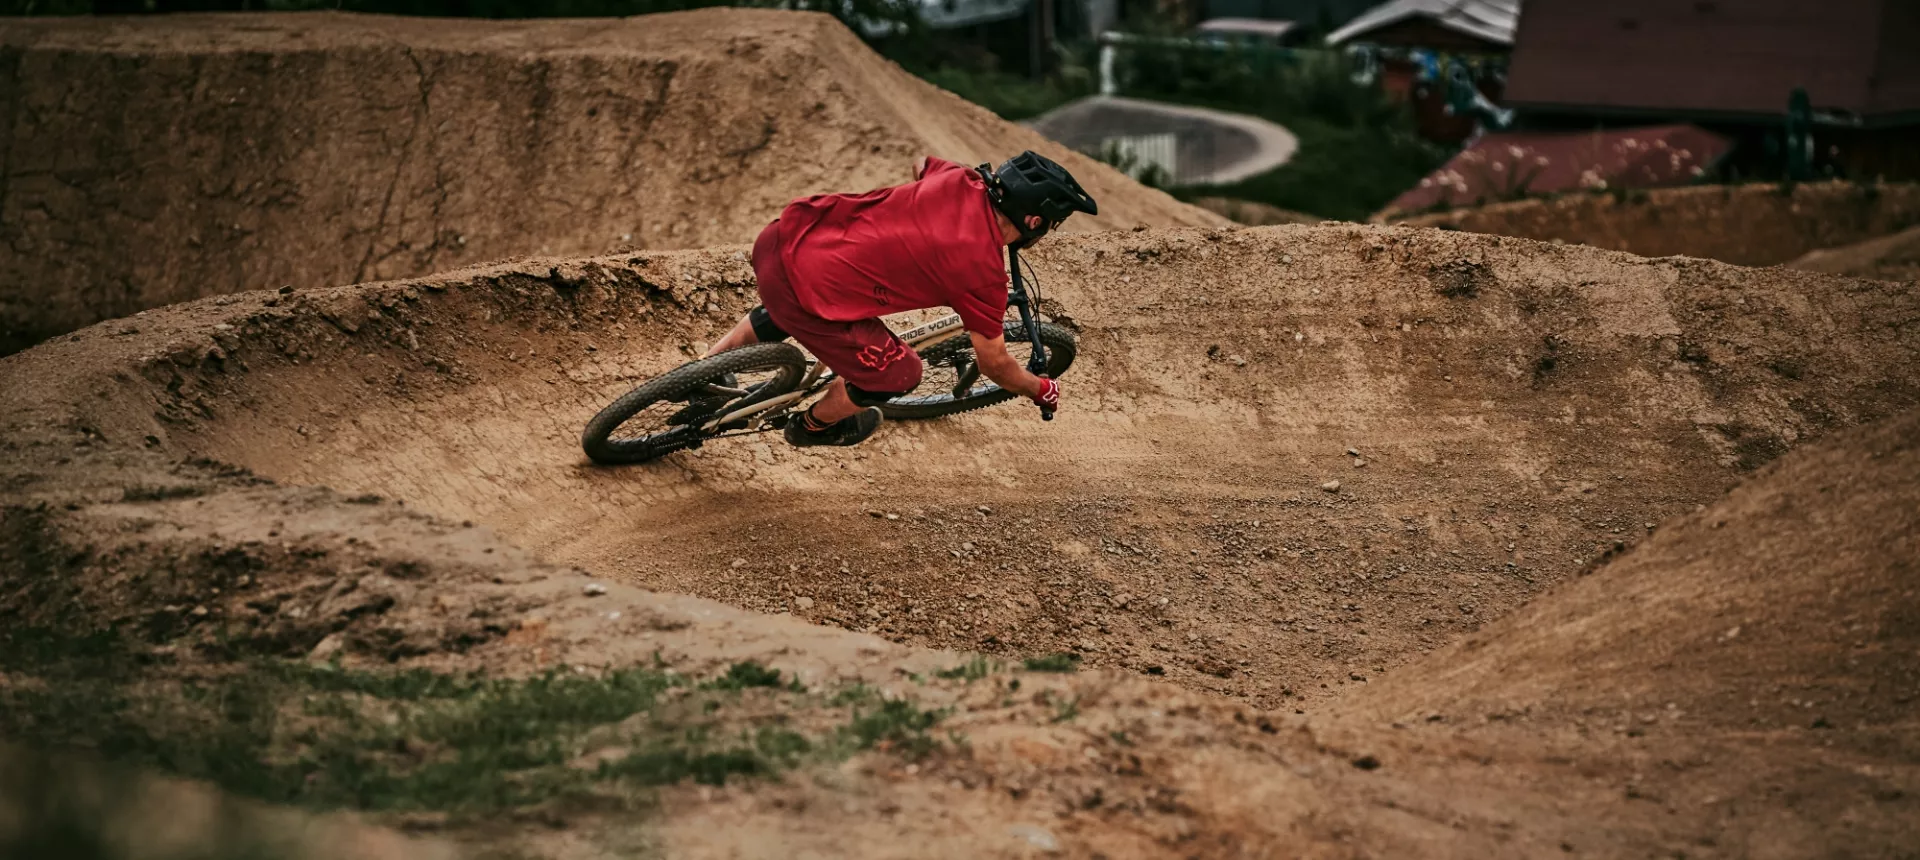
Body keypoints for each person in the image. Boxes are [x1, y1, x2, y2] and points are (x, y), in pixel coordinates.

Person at [690, 150, 1098, 447]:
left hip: (783, 238)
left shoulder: (959, 179)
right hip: (804, 296)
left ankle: (701, 372)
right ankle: (811, 427)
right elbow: (994, 364)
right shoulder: (983, 274)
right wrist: (1039, 388)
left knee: (803, 289)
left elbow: (922, 161)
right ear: (1034, 221)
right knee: (900, 374)